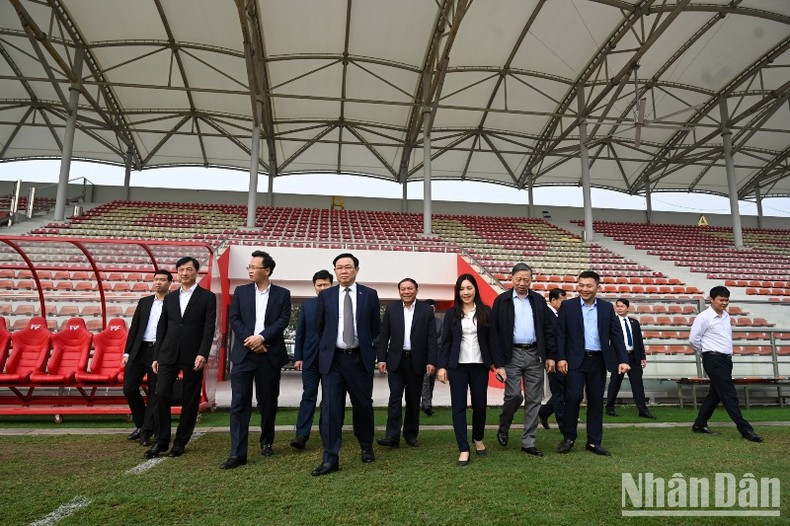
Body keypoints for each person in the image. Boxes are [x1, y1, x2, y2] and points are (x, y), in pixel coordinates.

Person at [311, 253, 381, 476]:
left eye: (348, 267)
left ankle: (366, 445)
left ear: (356, 270)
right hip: (333, 360)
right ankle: (331, 457)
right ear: (334, 271)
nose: (343, 271)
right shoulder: (326, 296)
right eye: (339, 267)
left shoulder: (369, 295)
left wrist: (369, 348)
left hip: (360, 359)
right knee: (331, 408)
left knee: (363, 405)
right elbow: (319, 328)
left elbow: (376, 328)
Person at [221, 251, 292, 469]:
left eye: (254, 267)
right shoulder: (241, 292)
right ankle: (237, 453)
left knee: (268, 402)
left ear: (267, 270)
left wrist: (261, 338)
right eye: (249, 267)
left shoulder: (282, 294)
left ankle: (266, 441)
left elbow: (282, 321)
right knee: (239, 403)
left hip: (269, 354)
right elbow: (234, 318)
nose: (250, 270)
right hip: (244, 355)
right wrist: (251, 340)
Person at [145, 256, 216, 459]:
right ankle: (162, 440)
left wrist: (203, 353)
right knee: (161, 394)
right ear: (177, 272)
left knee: (190, 399)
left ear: (196, 272)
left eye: (189, 269)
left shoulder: (207, 297)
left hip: (194, 355)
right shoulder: (170, 297)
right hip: (168, 353)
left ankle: (181, 441)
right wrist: (157, 355)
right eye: (181, 269)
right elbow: (162, 327)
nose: (185, 273)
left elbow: (209, 327)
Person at [555, 270, 630, 457]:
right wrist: (561, 358)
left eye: (589, 286)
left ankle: (594, 442)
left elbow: (616, 335)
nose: (584, 289)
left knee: (596, 401)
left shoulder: (606, 308)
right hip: (575, 360)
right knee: (572, 398)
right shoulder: (568, 306)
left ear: (598, 287)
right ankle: (569, 437)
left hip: (598, 361)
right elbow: (561, 334)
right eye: (581, 285)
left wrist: (623, 359)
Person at [436, 274, 502, 467]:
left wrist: (499, 365)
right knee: (459, 407)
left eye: (469, 288)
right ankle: (463, 448)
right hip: (458, 367)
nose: (466, 292)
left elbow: (493, 341)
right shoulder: (451, 313)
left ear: (475, 290)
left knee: (480, 405)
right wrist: (441, 366)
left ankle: (478, 438)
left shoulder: (485, 311)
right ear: (458, 291)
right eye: (462, 289)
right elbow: (445, 342)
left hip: (480, 366)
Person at [492, 263, 556, 457]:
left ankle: (528, 442)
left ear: (531, 280)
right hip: (510, 355)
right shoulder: (501, 300)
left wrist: (551, 356)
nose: (521, 283)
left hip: (534, 354)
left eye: (526, 279)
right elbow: (494, 333)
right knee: (513, 396)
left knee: (534, 400)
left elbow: (548, 329)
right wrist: (498, 364)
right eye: (518, 279)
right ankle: (504, 426)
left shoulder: (537, 300)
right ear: (511, 279)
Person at [689, 286, 763, 442]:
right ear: (711, 299)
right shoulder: (703, 317)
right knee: (729, 395)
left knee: (715, 394)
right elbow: (693, 339)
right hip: (713, 359)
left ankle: (699, 424)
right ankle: (745, 429)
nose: (724, 303)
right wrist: (706, 353)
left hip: (726, 359)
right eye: (721, 300)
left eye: (726, 300)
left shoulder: (726, 316)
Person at [376, 279, 438, 448]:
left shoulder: (426, 310)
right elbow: (384, 336)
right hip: (396, 361)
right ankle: (392, 436)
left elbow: (432, 338)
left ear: (417, 290)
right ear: (399, 292)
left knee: (413, 399)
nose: (406, 292)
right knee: (395, 398)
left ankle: (410, 434)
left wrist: (431, 361)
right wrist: (381, 358)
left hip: (417, 362)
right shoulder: (391, 309)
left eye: (410, 288)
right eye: (403, 289)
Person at [122, 269, 172, 447]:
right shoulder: (144, 302)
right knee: (129, 388)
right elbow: (134, 329)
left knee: (154, 393)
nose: (158, 282)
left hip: (158, 352)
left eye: (162, 280)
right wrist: (127, 353)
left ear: (169, 283)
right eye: (156, 279)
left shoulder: (173, 302)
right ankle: (142, 425)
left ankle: (146, 431)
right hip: (139, 350)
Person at [290, 269, 333, 450]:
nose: (322, 288)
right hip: (310, 359)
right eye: (319, 285)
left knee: (330, 398)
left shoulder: (338, 304)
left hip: (332, 359)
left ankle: (328, 434)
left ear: (332, 285)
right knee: (308, 395)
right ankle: (301, 435)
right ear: (314, 287)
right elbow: (301, 333)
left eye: (326, 285)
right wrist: (299, 356)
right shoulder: (307, 306)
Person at [605, 298, 656, 419]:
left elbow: (639, 341)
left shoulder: (634, 322)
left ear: (627, 307)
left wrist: (642, 357)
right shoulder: (612, 321)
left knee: (638, 384)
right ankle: (609, 407)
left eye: (622, 306)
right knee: (615, 383)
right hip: (618, 358)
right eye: (617, 306)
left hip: (634, 356)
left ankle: (642, 410)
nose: (619, 308)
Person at [538, 287, 567, 431]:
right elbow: (548, 337)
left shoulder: (558, 314)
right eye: (563, 301)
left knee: (563, 391)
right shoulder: (547, 314)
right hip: (552, 359)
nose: (565, 304)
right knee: (559, 391)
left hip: (562, 358)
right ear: (553, 300)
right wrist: (550, 357)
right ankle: (563, 425)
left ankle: (544, 411)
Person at [420, 299, 443, 416]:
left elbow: (442, 339)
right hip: (421, 356)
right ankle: (426, 405)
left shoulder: (439, 322)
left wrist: (431, 343)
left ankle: (427, 402)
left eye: (432, 308)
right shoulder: (419, 321)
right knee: (425, 381)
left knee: (430, 382)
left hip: (435, 356)